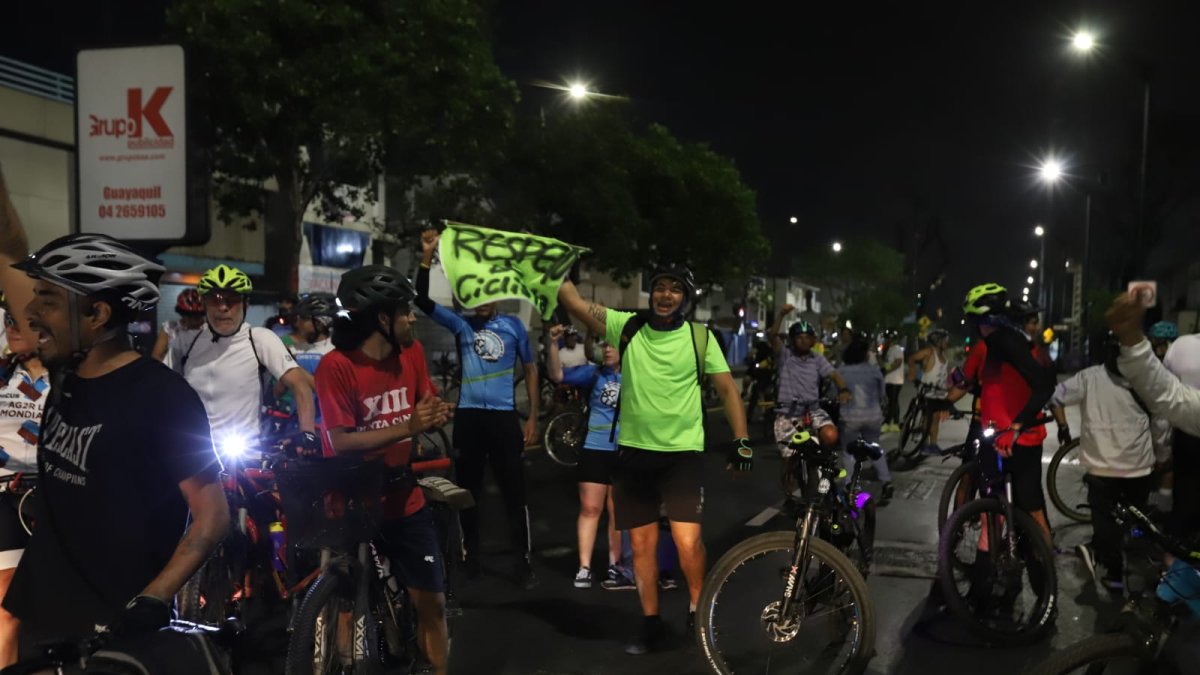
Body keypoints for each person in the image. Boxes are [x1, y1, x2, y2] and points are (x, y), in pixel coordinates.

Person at [2, 233, 228, 646]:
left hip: (112, 631)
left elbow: (212, 516)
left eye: (48, 300)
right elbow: (8, 251)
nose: (30, 313)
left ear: (97, 314)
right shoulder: (67, 375)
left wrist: (153, 599)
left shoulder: (163, 397)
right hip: (41, 612)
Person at [557, 262, 748, 654]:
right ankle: (651, 623)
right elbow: (573, 302)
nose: (666, 295)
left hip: (682, 456)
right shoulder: (626, 327)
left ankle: (697, 608)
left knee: (687, 543)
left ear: (685, 297)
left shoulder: (700, 337)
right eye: (660, 287)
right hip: (633, 454)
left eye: (675, 289)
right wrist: (553, 262)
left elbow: (728, 389)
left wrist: (741, 440)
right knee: (642, 547)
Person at [315, 265, 453, 675]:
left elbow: (426, 402)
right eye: (405, 311)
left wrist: (435, 413)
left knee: (432, 603)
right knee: (343, 600)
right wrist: (409, 426)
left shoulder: (411, 353)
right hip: (351, 499)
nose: (412, 318)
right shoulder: (336, 366)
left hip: (402, 497)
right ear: (381, 319)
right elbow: (339, 441)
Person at [416, 230, 540, 588]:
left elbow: (531, 368)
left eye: (488, 293)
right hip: (470, 418)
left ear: (497, 295)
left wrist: (532, 415)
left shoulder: (514, 326)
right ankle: (471, 556)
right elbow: (421, 299)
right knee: (467, 492)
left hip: (503, 419)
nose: (482, 301)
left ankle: (522, 561)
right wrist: (427, 256)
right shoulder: (461, 324)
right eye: (476, 294)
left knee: (514, 492)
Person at [1050, 334, 1170, 592]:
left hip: (1101, 465)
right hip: (1138, 465)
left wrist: (1063, 426)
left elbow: (1056, 397)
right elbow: (1161, 423)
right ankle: (1145, 572)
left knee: (1103, 518)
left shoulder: (1089, 377)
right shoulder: (1147, 380)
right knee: (1135, 517)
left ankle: (1110, 569)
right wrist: (1161, 457)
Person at [171, 265, 318, 456]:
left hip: (245, 453)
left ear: (246, 304)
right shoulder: (187, 342)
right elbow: (166, 391)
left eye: (231, 300)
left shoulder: (259, 339)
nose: (223, 307)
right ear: (204, 304)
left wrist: (307, 434)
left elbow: (299, 384)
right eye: (214, 300)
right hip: (194, 452)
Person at [960, 283, 1056, 537]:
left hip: (1017, 438)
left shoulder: (1005, 344)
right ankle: (1000, 555)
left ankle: (1039, 557)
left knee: (1024, 508)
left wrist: (1017, 425)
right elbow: (995, 386)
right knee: (1001, 509)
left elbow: (1045, 387)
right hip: (1001, 435)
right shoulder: (999, 344)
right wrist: (970, 387)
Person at [545, 324, 626, 589]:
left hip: (624, 451)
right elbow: (557, 374)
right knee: (591, 509)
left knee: (617, 512)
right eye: (605, 345)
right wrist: (552, 344)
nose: (608, 350)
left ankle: (615, 565)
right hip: (594, 448)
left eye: (614, 346)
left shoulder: (636, 375)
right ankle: (584, 567)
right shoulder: (593, 373)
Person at [769, 304, 852, 457]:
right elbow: (773, 336)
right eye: (799, 337)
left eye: (807, 337)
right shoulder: (785, 356)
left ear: (812, 340)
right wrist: (781, 314)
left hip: (813, 410)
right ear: (792, 340)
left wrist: (844, 390)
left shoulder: (817, 359)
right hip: (788, 414)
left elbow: (834, 376)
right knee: (790, 458)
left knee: (831, 435)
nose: (803, 341)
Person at [837, 336, 893, 503]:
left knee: (849, 451)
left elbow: (835, 395)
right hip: (873, 416)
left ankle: (850, 485)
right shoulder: (874, 370)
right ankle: (886, 481)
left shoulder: (841, 372)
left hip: (850, 417)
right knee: (874, 448)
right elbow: (883, 394)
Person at [907, 328, 953, 454]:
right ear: (938, 341)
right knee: (928, 418)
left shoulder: (944, 355)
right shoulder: (929, 352)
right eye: (945, 340)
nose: (947, 342)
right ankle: (924, 443)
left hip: (940, 392)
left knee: (936, 418)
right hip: (927, 391)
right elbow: (911, 358)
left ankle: (933, 444)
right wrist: (912, 373)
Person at [151, 289, 204, 363]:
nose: (194, 319)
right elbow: (156, 356)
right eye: (190, 315)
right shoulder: (170, 328)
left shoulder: (208, 330)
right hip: (171, 370)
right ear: (182, 314)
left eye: (198, 315)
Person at [881, 330, 904, 432]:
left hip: (896, 380)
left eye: (887, 338)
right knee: (893, 401)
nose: (886, 340)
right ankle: (895, 422)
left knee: (892, 402)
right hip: (889, 379)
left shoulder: (897, 349)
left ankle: (888, 423)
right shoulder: (889, 349)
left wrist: (887, 370)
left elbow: (898, 362)